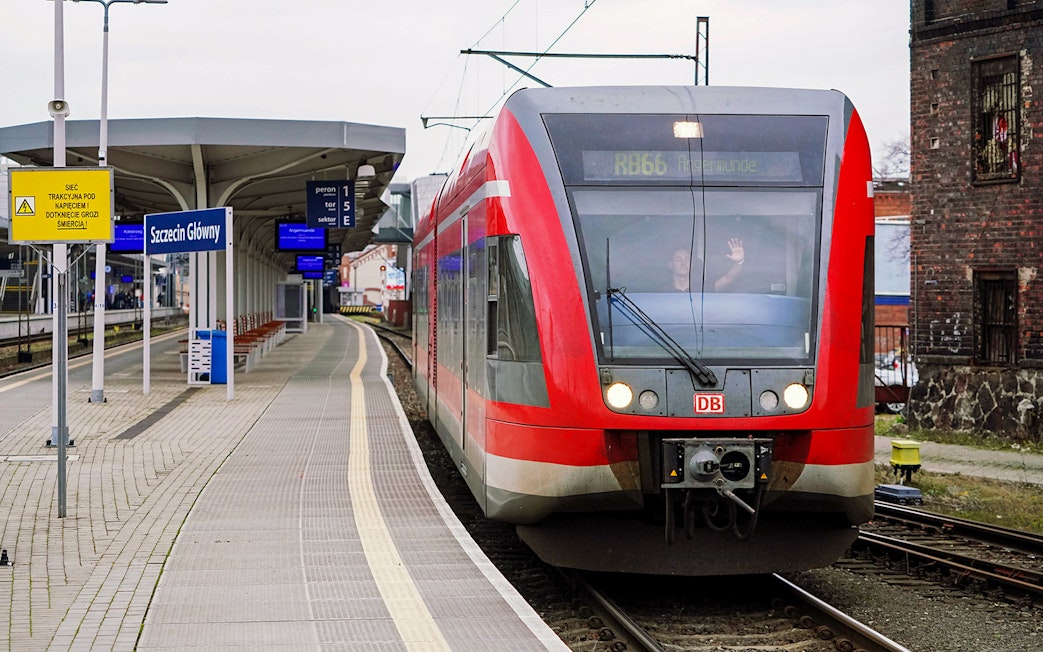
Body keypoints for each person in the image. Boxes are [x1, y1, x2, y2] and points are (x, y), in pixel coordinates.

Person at [668, 238, 744, 292]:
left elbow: (729, 278)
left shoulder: (703, 288)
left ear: (692, 265)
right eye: (678, 259)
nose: (683, 263)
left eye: (687, 259)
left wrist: (738, 262)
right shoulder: (662, 291)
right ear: (670, 265)